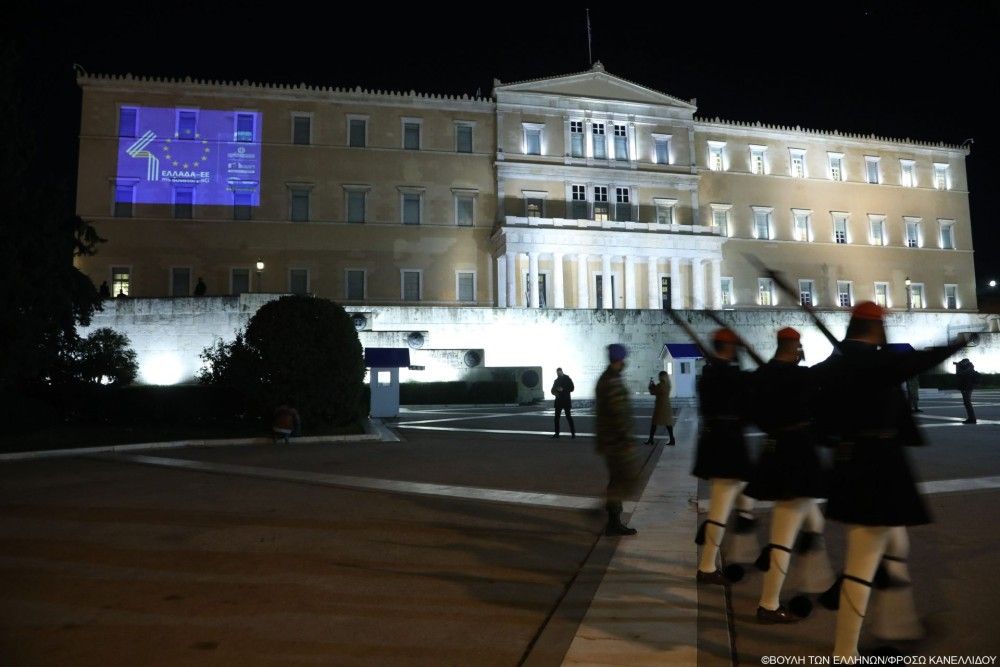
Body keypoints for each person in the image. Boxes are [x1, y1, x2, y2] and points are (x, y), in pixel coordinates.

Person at [812, 302, 972, 659]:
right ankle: (845, 653)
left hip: (854, 463)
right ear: (874, 328)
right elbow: (914, 362)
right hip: (876, 469)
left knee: (895, 547)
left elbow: (817, 414)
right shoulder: (870, 361)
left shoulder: (837, 364)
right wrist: (959, 343)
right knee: (862, 563)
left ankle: (896, 625)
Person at [745, 327, 831, 623]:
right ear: (793, 345)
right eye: (798, 347)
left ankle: (818, 581)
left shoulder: (762, 376)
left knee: (813, 522)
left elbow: (754, 412)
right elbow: (821, 386)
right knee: (783, 535)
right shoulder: (800, 376)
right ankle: (768, 604)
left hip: (775, 448)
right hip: (797, 455)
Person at [693, 328, 753, 585]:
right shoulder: (726, 375)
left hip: (719, 445)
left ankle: (742, 529)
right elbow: (744, 389)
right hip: (727, 447)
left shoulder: (710, 374)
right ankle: (707, 566)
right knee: (720, 509)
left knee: (744, 494)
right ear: (728, 348)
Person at [595, 343, 640, 536]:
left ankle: (611, 517)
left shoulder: (607, 379)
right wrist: (627, 438)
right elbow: (618, 413)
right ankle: (611, 518)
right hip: (616, 441)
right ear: (620, 360)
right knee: (620, 480)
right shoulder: (612, 381)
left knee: (617, 479)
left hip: (610, 439)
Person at [644, 371, 675, 446]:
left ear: (661, 377)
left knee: (654, 423)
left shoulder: (661, 385)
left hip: (660, 407)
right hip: (666, 406)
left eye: (659, 376)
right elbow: (658, 391)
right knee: (668, 424)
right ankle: (672, 439)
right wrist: (654, 386)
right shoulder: (668, 385)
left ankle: (651, 439)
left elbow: (653, 392)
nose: (658, 377)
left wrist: (651, 385)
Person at [551, 367, 576, 438]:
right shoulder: (556, 381)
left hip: (566, 400)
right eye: (557, 373)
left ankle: (573, 433)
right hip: (558, 401)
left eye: (559, 372)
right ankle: (557, 433)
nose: (558, 373)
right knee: (556, 418)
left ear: (562, 371)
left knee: (568, 417)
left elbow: (572, 388)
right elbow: (552, 390)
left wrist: (563, 389)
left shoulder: (567, 379)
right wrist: (555, 393)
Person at [954, 358, 979, 424]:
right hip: (967, 387)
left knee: (967, 403)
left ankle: (972, 419)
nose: (961, 363)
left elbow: (959, 374)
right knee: (967, 403)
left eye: (962, 362)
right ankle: (971, 418)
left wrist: (957, 366)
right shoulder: (970, 368)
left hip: (966, 387)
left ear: (965, 362)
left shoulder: (967, 369)